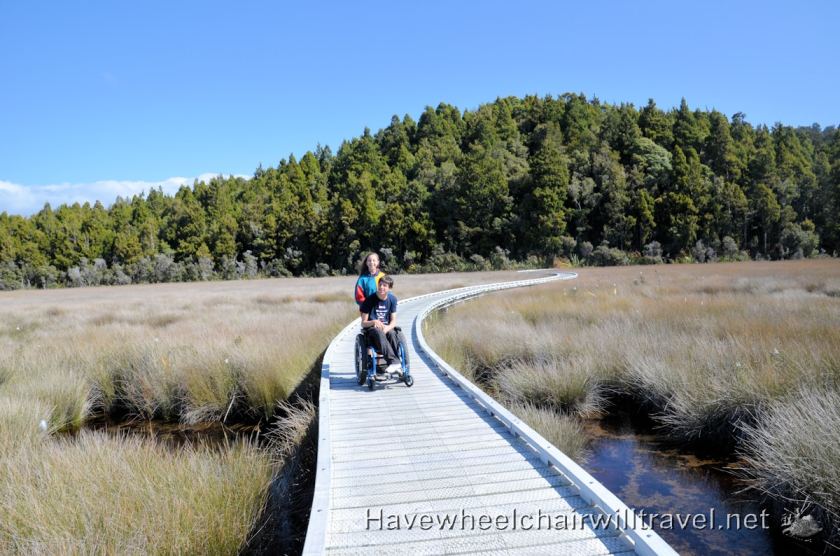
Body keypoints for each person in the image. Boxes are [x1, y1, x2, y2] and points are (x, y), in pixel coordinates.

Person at [359, 275, 401, 379]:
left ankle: (395, 363)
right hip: (372, 331)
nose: (381, 287)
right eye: (380, 284)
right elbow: (363, 323)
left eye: (385, 285)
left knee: (392, 332)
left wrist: (387, 328)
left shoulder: (392, 299)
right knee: (378, 332)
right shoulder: (370, 300)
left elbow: (393, 320)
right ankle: (394, 362)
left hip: (385, 328)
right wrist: (373, 321)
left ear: (389, 288)